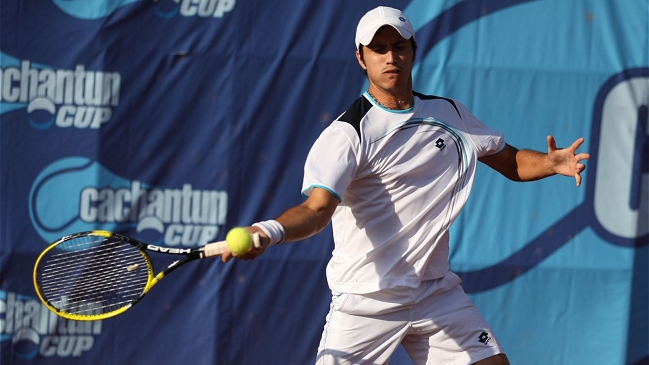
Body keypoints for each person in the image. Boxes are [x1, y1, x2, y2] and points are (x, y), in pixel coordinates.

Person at [222, 6, 589, 365]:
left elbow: (508, 160)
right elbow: (316, 211)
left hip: (435, 293)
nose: (390, 57)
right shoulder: (347, 135)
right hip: (367, 301)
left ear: (413, 50)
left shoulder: (450, 115)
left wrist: (548, 162)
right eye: (378, 49)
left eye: (399, 47)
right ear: (361, 59)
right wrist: (269, 231)